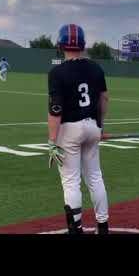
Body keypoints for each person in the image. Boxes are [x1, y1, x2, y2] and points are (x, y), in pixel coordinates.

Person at [47, 24, 110, 235]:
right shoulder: (96, 68)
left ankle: (76, 228)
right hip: (92, 126)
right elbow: (104, 98)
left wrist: (52, 141)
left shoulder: (57, 72)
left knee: (71, 181)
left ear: (61, 44)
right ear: (83, 45)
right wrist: (101, 127)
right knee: (95, 177)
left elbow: (56, 108)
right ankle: (103, 226)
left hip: (69, 130)